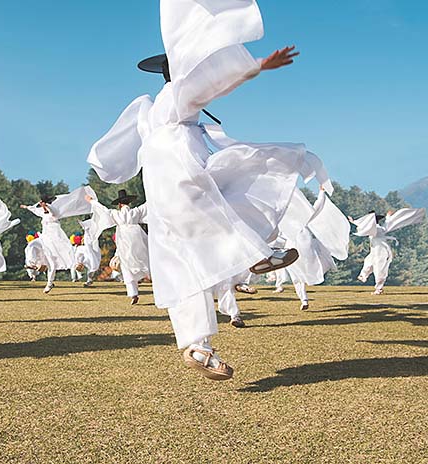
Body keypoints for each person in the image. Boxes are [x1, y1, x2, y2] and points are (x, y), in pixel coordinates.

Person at [87, 0, 315, 380]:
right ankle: (252, 259)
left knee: (181, 264)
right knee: (229, 194)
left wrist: (106, 169)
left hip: (159, 188)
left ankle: (198, 346)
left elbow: (119, 146)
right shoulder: (178, 94)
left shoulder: (148, 109)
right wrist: (255, 66)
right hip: (180, 173)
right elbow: (205, 86)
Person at [279, 188, 350, 310]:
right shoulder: (285, 218)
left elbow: (317, 207)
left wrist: (321, 193)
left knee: (298, 273)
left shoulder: (301, 216)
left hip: (301, 244)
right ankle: (304, 299)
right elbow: (317, 207)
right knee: (297, 273)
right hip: (295, 245)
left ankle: (304, 298)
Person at [20, 186, 96, 294]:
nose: (42, 206)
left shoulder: (55, 211)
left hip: (55, 241)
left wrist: (47, 206)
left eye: (44, 204)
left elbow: (53, 211)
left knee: (52, 264)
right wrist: (26, 207)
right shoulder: (42, 212)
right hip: (44, 238)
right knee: (31, 245)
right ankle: (33, 263)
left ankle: (49, 283)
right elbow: (34, 210)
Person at [87, 189, 150, 304]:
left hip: (124, 240)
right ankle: (157, 281)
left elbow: (103, 210)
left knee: (126, 265)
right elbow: (149, 205)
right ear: (128, 203)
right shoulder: (136, 212)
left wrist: (92, 201)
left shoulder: (115, 213)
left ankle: (133, 293)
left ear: (120, 204)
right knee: (145, 259)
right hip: (137, 238)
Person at [350, 208, 426, 295]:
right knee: (368, 262)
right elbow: (369, 226)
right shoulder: (376, 228)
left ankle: (378, 288)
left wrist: (355, 222)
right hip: (375, 250)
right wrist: (354, 221)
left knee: (379, 269)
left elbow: (367, 228)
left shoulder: (376, 228)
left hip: (381, 250)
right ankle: (364, 275)